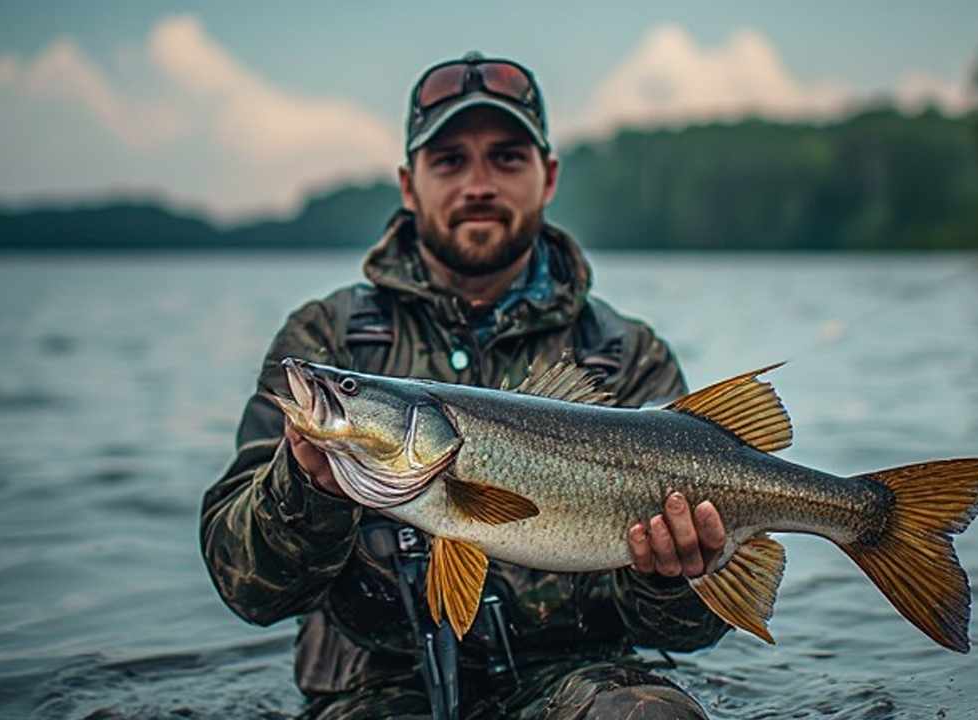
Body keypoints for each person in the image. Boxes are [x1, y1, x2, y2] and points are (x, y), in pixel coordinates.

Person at [201, 52, 732, 720]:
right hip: (373, 688)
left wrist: (675, 578)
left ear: (549, 178)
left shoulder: (628, 357)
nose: (478, 183)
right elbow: (245, 587)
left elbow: (688, 634)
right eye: (449, 160)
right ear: (408, 183)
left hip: (578, 681)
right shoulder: (328, 340)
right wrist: (307, 489)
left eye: (507, 158)